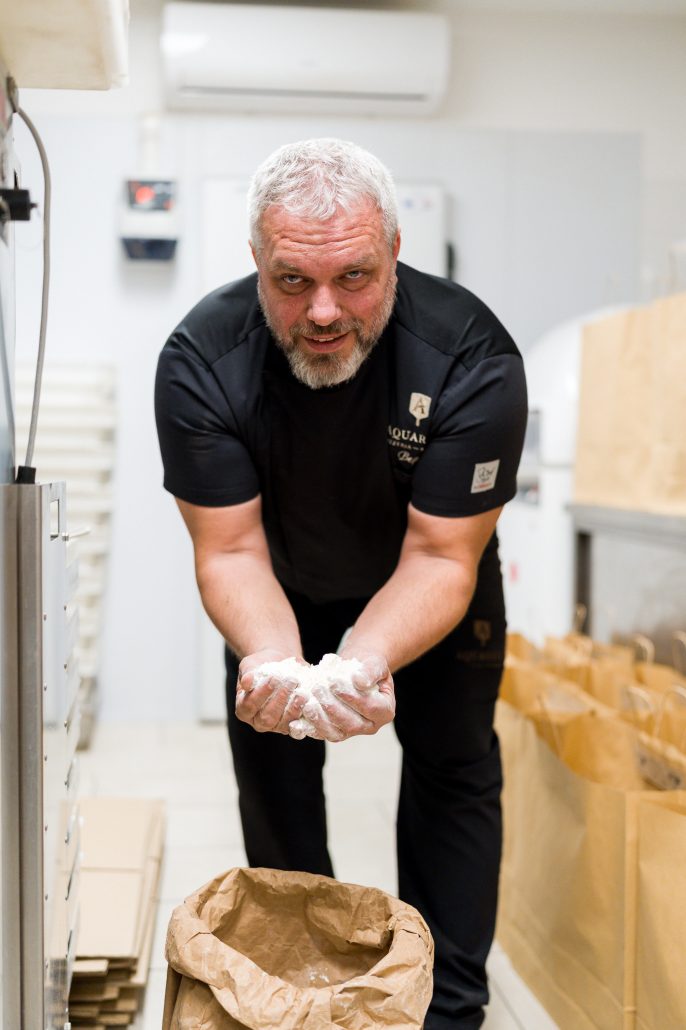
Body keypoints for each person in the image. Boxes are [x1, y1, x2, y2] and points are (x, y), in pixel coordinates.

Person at [155, 138, 527, 1030]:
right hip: (277, 592)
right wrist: (280, 663)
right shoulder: (203, 358)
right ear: (256, 259)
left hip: (429, 589)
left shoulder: (470, 356)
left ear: (395, 250)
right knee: (275, 779)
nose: (323, 311)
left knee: (453, 773)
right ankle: (302, 999)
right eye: (292, 281)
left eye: (354, 277)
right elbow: (230, 551)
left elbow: (442, 556)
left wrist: (362, 661)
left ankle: (447, 1012)